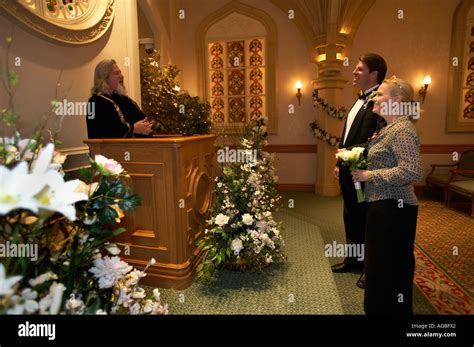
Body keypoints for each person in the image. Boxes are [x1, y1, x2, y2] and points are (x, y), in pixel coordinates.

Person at [351, 76, 422, 315]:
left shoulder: (402, 129)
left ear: (397, 100)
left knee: (388, 267)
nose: (374, 97)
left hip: (394, 209)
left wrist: (370, 175)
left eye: (380, 94)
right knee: (379, 266)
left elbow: (411, 170)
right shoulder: (387, 128)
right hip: (382, 205)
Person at [332, 53, 387, 289]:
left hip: (366, 174)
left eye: (359, 69)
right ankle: (353, 260)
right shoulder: (357, 101)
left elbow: (378, 141)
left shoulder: (381, 101)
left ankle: (370, 268)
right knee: (350, 215)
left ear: (374, 74)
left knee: (367, 219)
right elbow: (348, 138)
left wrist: (350, 156)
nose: (354, 72)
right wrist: (339, 162)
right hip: (348, 171)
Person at [86, 59, 153, 138]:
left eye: (120, 72)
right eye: (116, 73)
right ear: (105, 78)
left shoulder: (125, 99)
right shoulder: (94, 102)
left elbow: (142, 119)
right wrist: (133, 129)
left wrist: (147, 126)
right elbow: (98, 130)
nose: (121, 76)